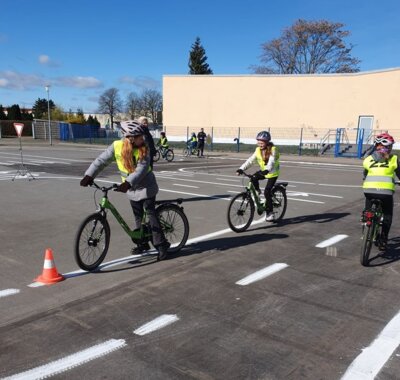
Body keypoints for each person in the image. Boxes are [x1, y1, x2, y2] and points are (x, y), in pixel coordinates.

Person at [79, 120, 170, 260]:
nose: (143, 138)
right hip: (131, 189)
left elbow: (142, 169)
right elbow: (101, 161)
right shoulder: (117, 146)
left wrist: (128, 183)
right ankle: (143, 243)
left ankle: (161, 245)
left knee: (151, 215)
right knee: (138, 216)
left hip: (146, 187)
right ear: (130, 138)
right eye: (140, 136)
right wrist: (89, 175)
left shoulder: (144, 148)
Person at [362, 132, 400, 250]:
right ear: (388, 147)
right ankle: (383, 240)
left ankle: (366, 224)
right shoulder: (394, 159)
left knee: (368, 212)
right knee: (387, 215)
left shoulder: (368, 159)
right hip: (386, 192)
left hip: (369, 190)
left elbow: (364, 175)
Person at [236, 131, 280, 222]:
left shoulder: (273, 149)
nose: (260, 143)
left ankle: (270, 213)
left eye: (262, 142)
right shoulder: (257, 150)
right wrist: (241, 169)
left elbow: (271, 161)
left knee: (267, 192)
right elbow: (251, 160)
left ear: (267, 142)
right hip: (264, 171)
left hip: (272, 173)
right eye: (258, 141)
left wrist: (267, 170)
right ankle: (257, 191)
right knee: (253, 178)